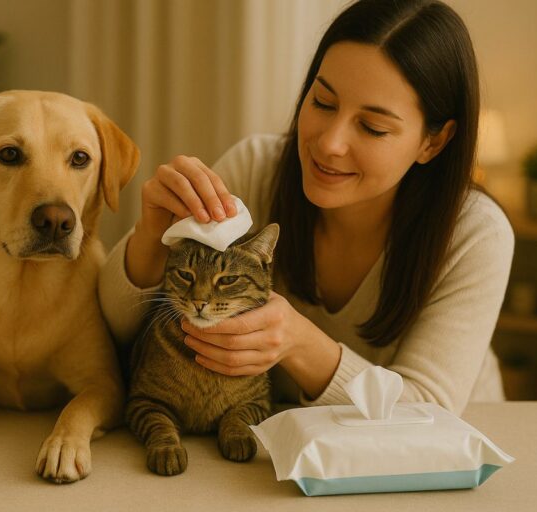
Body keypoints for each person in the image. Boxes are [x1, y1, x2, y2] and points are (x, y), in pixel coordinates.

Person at [98, 0, 513, 416]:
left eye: (372, 127)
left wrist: (301, 345)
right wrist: (151, 234)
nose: (330, 143)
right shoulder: (255, 170)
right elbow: (114, 327)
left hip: (464, 442)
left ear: (433, 142)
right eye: (323, 102)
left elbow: (428, 414)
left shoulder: (476, 233)